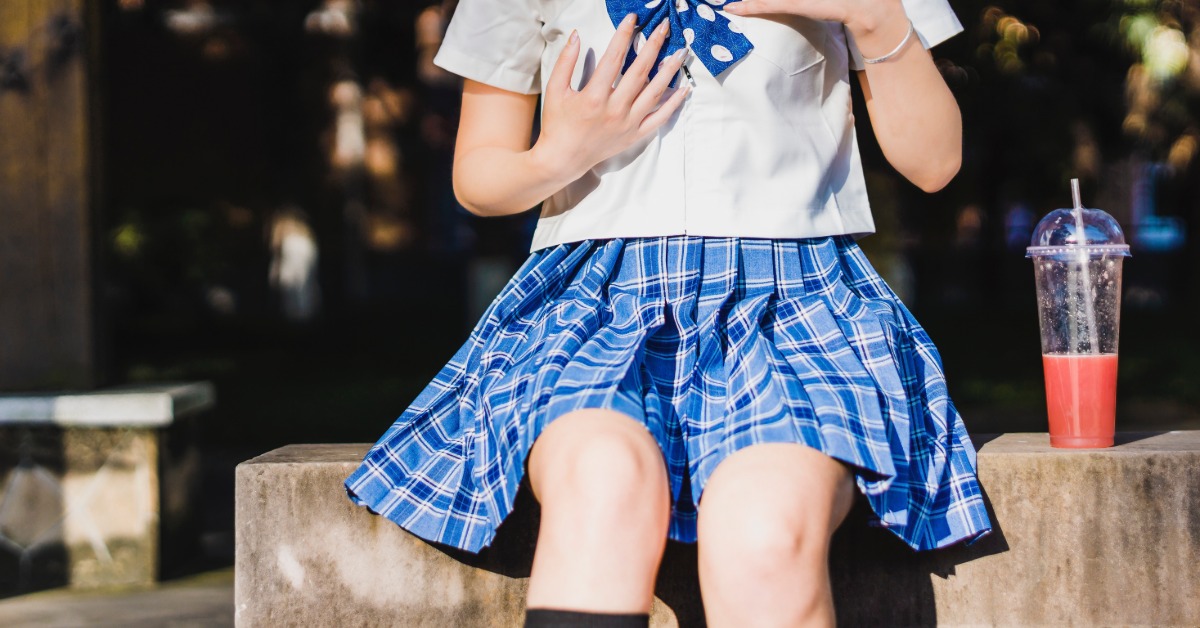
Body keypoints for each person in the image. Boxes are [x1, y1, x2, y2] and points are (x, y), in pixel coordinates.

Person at [345, 0, 992, 625]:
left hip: (792, 305)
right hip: (596, 304)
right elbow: (477, 177)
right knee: (603, 483)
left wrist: (873, 12)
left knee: (765, 525)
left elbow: (935, 163)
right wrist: (559, 155)